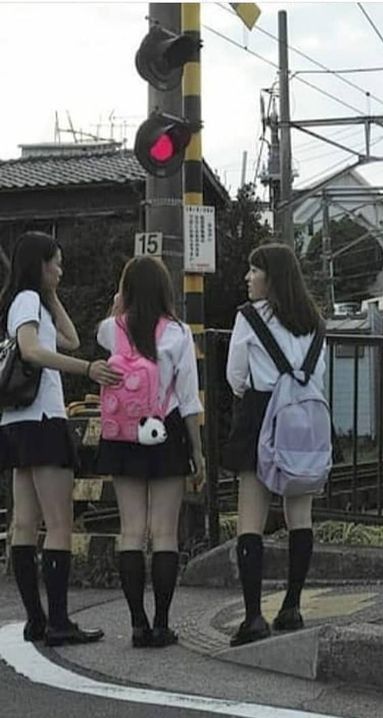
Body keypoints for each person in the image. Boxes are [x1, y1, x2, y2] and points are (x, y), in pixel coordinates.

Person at [0, 231, 121, 647]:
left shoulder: (25, 302)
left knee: (24, 522)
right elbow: (32, 350)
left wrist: (52, 296)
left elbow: (68, 337)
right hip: (43, 420)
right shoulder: (27, 302)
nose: (61, 269)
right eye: (56, 262)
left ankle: (38, 620)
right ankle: (58, 620)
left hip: (18, 422)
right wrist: (87, 369)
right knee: (57, 525)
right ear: (40, 264)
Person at [95, 256, 204, 648]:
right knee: (163, 533)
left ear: (126, 291)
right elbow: (189, 399)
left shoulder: (111, 330)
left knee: (131, 531)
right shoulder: (177, 333)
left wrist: (117, 305)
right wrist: (198, 452)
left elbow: (110, 325)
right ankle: (161, 623)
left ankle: (137, 624)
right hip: (166, 432)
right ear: (164, 291)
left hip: (122, 435)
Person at [224, 243, 326, 647]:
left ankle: (253, 617)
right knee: (300, 514)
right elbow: (318, 372)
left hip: (261, 413)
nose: (248, 278)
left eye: (254, 271)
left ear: (272, 277)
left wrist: (260, 390)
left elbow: (236, 376)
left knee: (251, 517)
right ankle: (292, 607)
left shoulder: (249, 318)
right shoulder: (315, 321)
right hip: (305, 418)